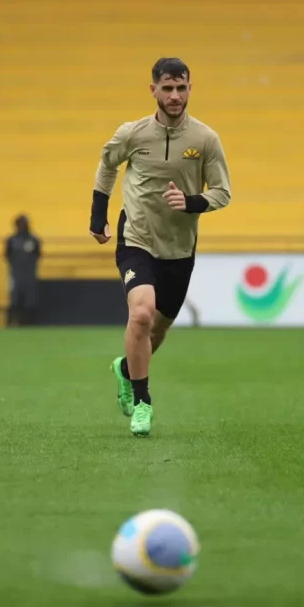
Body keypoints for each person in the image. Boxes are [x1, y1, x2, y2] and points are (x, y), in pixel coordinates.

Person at [88, 57, 232, 437]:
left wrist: (193, 201)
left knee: (156, 332)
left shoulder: (205, 140)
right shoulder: (132, 134)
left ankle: (125, 369)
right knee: (141, 315)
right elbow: (107, 165)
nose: (174, 96)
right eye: (167, 88)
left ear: (189, 89)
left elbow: (223, 193)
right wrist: (97, 215)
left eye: (181, 88)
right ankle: (142, 403)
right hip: (136, 238)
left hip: (179, 250)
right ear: (153, 89)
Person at [5, 214, 41, 326]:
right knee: (14, 301)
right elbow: (7, 255)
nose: (22, 226)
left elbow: (38, 255)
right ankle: (11, 323)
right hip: (15, 275)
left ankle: (29, 324)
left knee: (30, 301)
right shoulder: (11, 240)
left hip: (30, 275)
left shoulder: (34, 240)